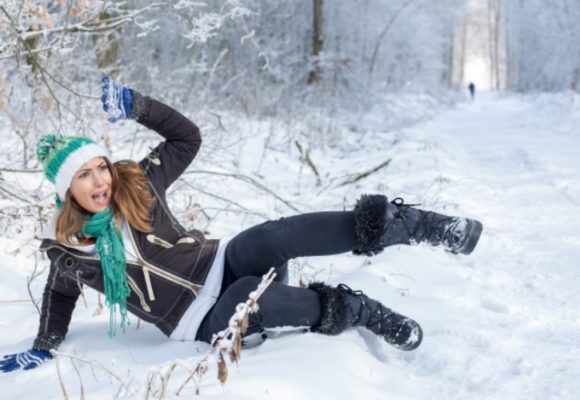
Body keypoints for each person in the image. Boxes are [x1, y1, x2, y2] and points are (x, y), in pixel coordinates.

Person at [0, 77, 483, 373]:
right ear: (68, 192)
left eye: (100, 166)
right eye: (84, 176)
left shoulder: (138, 183)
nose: (99, 180)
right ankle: (360, 311)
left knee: (267, 238)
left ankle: (418, 225)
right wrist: (43, 347)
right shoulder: (70, 251)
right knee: (245, 297)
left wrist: (137, 106)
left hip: (216, 260)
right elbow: (59, 295)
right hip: (195, 321)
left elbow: (187, 137)